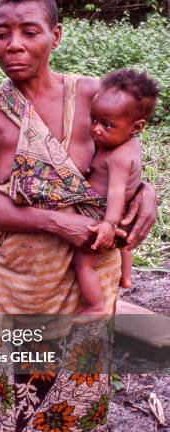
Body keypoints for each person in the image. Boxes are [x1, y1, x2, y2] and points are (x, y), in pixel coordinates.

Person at [0, 0, 157, 432]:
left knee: (82, 373)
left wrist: (147, 194)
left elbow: (129, 148)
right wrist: (55, 221)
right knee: (29, 368)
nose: (14, 45)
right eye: (2, 33)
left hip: (91, 265)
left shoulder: (92, 93)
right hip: (24, 272)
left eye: (30, 32)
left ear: (56, 35)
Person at [74, 69, 159, 315]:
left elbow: (116, 192)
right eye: (94, 120)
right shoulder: (126, 142)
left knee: (82, 264)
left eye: (107, 125)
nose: (96, 129)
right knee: (125, 245)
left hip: (104, 214)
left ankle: (96, 305)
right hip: (119, 217)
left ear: (137, 127)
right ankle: (126, 277)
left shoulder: (120, 156)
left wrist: (109, 224)